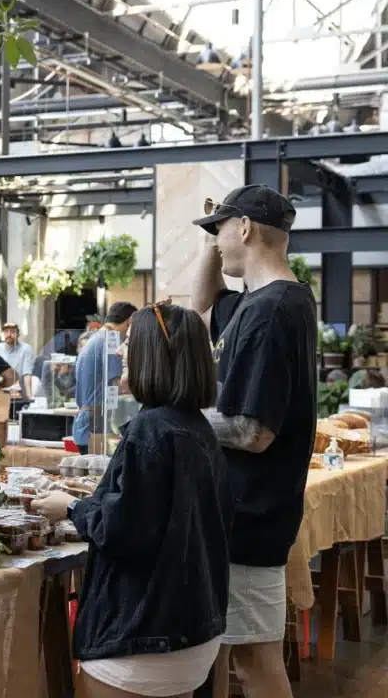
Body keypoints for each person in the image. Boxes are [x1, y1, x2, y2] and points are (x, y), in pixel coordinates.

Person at [39, 302, 232, 698]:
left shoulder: (151, 429)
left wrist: (73, 507)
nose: (121, 352)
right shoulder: (198, 428)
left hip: (142, 636)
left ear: (153, 355)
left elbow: (125, 530)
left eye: (129, 343)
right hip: (192, 630)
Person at [191, 185, 317, 698]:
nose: (217, 244)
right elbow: (202, 304)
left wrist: (178, 420)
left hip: (253, 514)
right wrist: (206, 239)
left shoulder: (271, 312)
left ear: (244, 228)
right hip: (241, 511)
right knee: (220, 650)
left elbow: (254, 431)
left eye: (220, 230)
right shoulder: (262, 302)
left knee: (254, 660)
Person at [73, 303, 137, 454]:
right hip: (96, 427)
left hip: (86, 426)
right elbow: (120, 385)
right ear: (130, 321)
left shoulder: (95, 338)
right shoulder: (111, 339)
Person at [0, 322, 35, 396]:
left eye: (12, 331)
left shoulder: (26, 349)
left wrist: (29, 396)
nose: (9, 334)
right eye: (6, 331)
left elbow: (27, 374)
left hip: (18, 390)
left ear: (18, 334)